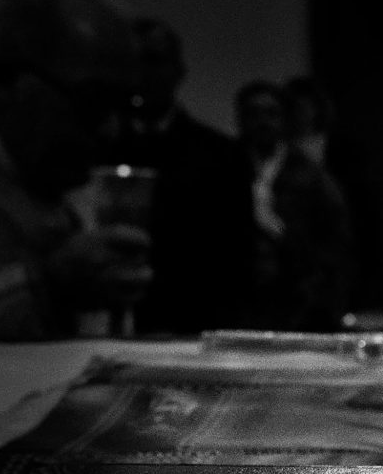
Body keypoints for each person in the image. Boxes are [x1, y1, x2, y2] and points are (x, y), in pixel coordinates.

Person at [0, 0, 151, 342]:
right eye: (92, 101)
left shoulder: (43, 181)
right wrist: (47, 286)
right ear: (3, 78)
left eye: (124, 106)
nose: (111, 129)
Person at [118, 17, 254, 335]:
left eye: (153, 61)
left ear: (177, 71)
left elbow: (237, 262)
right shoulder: (94, 148)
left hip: (191, 326)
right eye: (132, 63)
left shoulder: (220, 154)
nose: (142, 74)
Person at [236, 80, 354, 331]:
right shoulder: (225, 167)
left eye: (271, 113)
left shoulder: (310, 175)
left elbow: (334, 240)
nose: (263, 122)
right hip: (241, 296)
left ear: (285, 119)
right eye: (253, 114)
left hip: (296, 297)